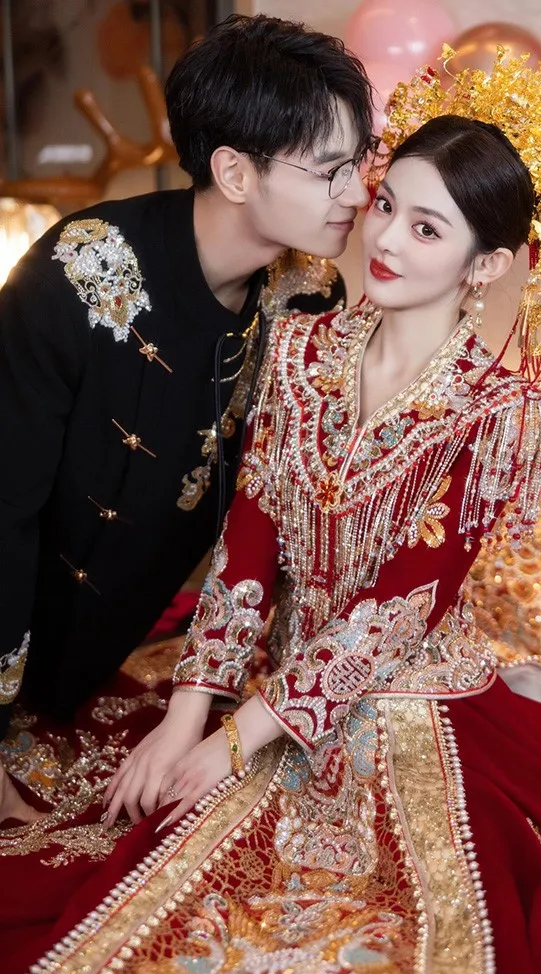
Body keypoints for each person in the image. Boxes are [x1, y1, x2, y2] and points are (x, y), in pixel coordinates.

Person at [5, 60, 541, 974]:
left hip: (403, 692)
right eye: (386, 201)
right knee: (89, 793)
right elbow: (250, 539)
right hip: (266, 673)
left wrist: (230, 746)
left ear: (483, 265)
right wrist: (191, 710)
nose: (385, 239)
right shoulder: (300, 343)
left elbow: (395, 609)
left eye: (427, 227)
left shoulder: (504, 411)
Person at [0, 13, 373, 823]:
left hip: (134, 638)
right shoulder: (80, 269)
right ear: (236, 173)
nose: (356, 193)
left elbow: (274, 503)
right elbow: (3, 509)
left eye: (362, 162)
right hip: (25, 638)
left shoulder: (308, 293)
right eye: (330, 170)